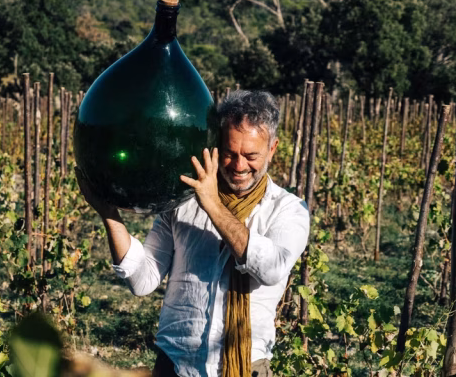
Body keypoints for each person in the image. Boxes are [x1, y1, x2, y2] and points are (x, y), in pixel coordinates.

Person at [77, 90, 310, 377]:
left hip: (247, 367)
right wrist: (109, 216)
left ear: (272, 149)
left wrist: (212, 204)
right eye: (228, 153)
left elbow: (272, 268)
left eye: (251, 156)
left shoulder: (289, 209)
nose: (239, 166)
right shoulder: (183, 201)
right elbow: (143, 279)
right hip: (175, 364)